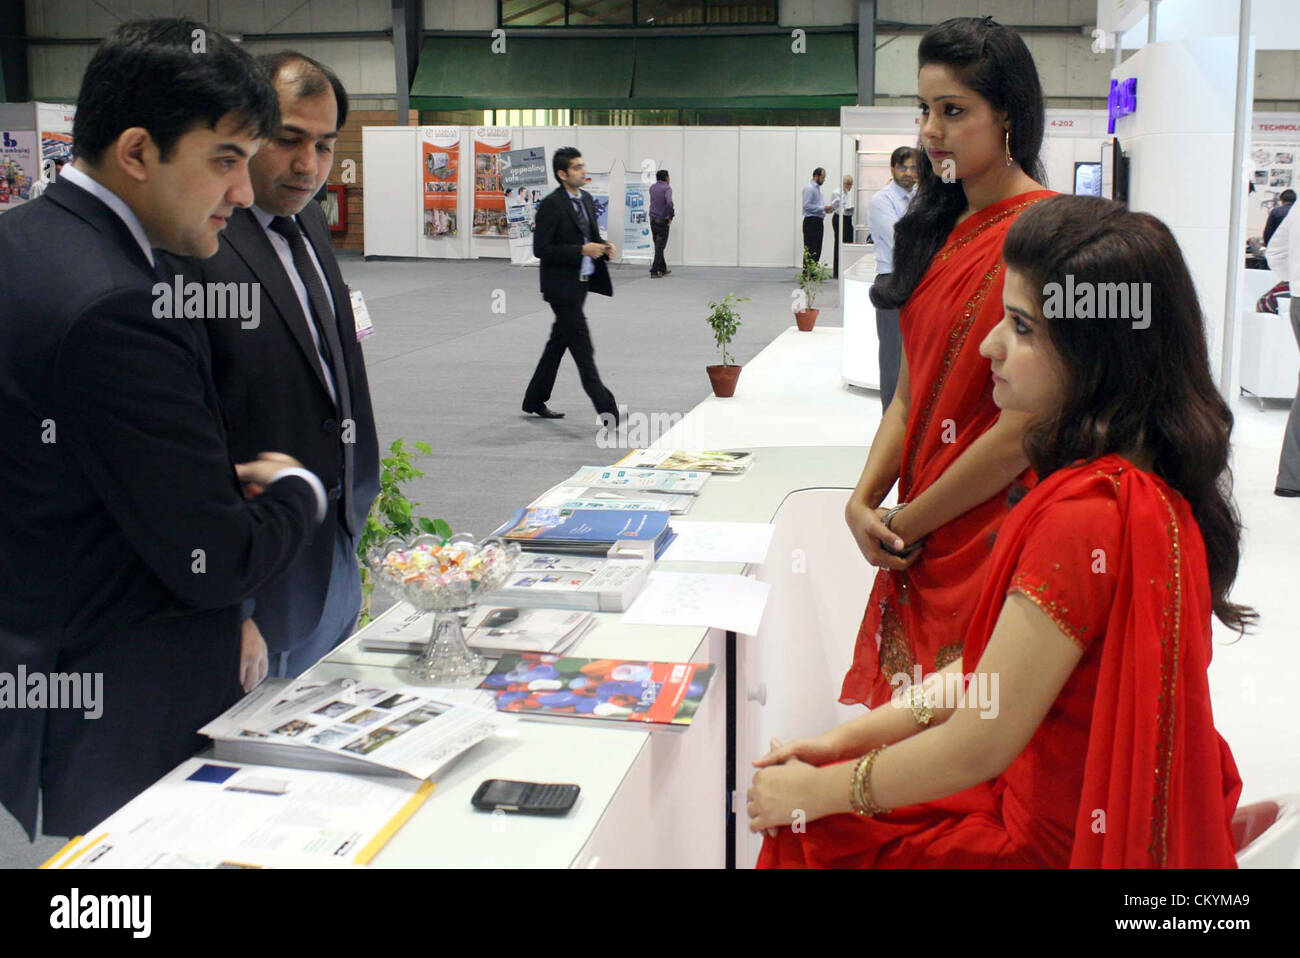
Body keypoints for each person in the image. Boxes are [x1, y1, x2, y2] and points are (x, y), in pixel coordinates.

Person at [750, 195, 1248, 868]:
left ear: (1094, 350)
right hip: (1055, 806)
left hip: (1046, 841)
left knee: (810, 839)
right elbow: (989, 676)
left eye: (1019, 327)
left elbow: (980, 741)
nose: (990, 346)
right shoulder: (1142, 478)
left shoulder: (1085, 514)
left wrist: (820, 792)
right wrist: (845, 746)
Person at [0, 18, 325, 839]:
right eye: (224, 161)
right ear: (138, 152)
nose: (244, 194)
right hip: (130, 704)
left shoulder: (27, 240)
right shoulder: (120, 303)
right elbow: (214, 560)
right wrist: (295, 490)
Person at [841, 16, 1054, 708]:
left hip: (1000, 527)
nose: (931, 132)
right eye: (925, 110)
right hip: (921, 529)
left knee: (973, 754)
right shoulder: (937, 226)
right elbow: (910, 393)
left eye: (954, 111)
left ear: (1009, 120)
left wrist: (913, 518)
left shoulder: (1052, 236)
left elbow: (1025, 430)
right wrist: (863, 500)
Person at [157, 51, 380, 680]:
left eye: (326, 146)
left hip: (333, 541)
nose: (308, 166)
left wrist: (355, 504)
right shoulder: (197, 240)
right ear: (248, 129)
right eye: (288, 141)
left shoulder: (305, 218)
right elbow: (188, 446)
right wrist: (231, 602)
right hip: (257, 579)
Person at [522, 146, 619, 427]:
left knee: (557, 344)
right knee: (583, 350)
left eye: (582, 166)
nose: (583, 171)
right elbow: (542, 248)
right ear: (562, 174)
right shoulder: (552, 205)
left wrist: (603, 246)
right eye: (577, 168)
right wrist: (581, 250)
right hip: (560, 288)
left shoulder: (586, 198)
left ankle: (533, 399)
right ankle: (609, 412)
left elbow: (590, 235)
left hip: (582, 284)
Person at [866, 147, 919, 409]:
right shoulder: (881, 201)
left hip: (919, 281)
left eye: (913, 168)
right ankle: (889, 418)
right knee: (893, 357)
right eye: (903, 168)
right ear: (892, 169)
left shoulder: (921, 199)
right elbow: (900, 243)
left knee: (917, 356)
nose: (908, 174)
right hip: (891, 282)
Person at [801, 167, 834, 261]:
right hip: (811, 222)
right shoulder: (809, 188)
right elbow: (806, 206)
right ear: (816, 176)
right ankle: (808, 274)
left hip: (818, 221)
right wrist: (823, 208)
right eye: (823, 177)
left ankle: (813, 273)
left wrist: (826, 210)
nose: (824, 180)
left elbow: (816, 206)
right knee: (811, 248)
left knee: (817, 248)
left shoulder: (817, 189)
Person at [649, 168, 674, 278]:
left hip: (652, 219)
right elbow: (669, 202)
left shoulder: (652, 188)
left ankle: (662, 268)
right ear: (666, 178)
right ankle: (654, 271)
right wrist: (670, 215)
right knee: (660, 246)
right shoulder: (667, 188)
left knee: (658, 245)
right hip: (662, 219)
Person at [831, 174, 855, 245]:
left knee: (848, 239)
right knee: (839, 241)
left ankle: (847, 256)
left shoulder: (846, 192)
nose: (850, 186)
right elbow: (836, 208)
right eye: (849, 184)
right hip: (839, 218)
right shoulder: (837, 192)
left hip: (847, 218)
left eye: (851, 184)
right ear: (844, 183)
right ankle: (837, 256)